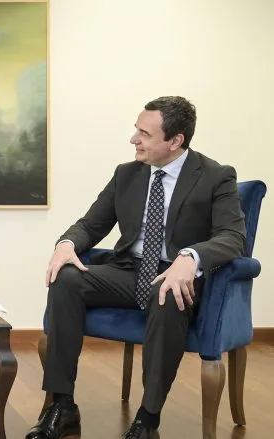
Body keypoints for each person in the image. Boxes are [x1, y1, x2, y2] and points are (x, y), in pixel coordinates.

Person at [27, 96, 246, 439]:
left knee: (166, 292)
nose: (134, 139)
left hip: (176, 278)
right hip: (128, 272)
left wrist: (190, 257)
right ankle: (62, 405)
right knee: (66, 278)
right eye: (136, 130)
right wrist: (65, 245)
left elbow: (233, 237)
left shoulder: (216, 176)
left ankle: (147, 420)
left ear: (175, 140)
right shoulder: (126, 174)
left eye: (144, 134)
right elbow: (90, 225)